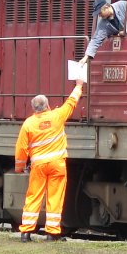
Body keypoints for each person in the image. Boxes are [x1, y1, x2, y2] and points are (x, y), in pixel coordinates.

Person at [14, 80, 84, 241]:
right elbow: (71, 102)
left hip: (38, 166)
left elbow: (21, 148)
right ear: (47, 106)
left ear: (34, 108)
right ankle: (52, 233)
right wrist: (79, 86)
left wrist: (19, 167)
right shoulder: (57, 116)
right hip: (57, 165)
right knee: (55, 196)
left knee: (33, 196)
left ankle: (26, 233)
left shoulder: (28, 124)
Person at [78, 0, 127, 66]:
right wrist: (85, 57)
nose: (100, 16)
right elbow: (96, 40)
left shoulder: (123, 5)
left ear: (106, 7)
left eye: (100, 13)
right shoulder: (103, 24)